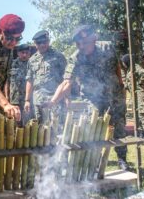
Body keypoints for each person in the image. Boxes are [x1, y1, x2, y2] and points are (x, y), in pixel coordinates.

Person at [46, 25, 130, 170]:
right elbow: (67, 82)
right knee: (93, 128)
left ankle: (122, 159)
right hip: (93, 98)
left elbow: (116, 65)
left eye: (85, 43)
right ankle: (94, 161)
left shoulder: (107, 47)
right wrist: (53, 101)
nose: (81, 46)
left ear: (94, 39)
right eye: (78, 43)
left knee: (120, 128)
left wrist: (121, 84)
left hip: (114, 94)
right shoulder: (75, 57)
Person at [24, 31, 66, 125]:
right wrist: (27, 100)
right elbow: (29, 80)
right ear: (35, 44)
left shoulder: (58, 56)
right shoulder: (32, 60)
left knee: (56, 127)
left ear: (49, 41)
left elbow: (66, 80)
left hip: (54, 99)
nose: (43, 45)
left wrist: (67, 97)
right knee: (40, 128)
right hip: (38, 100)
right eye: (39, 43)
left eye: (45, 41)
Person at [121, 54, 144, 139]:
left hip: (140, 93)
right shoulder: (129, 70)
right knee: (135, 113)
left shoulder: (135, 67)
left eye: (124, 62)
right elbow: (129, 82)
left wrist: (139, 83)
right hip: (134, 94)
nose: (123, 64)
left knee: (142, 112)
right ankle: (140, 132)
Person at [8, 44, 32, 126]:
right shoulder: (11, 64)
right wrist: (6, 98)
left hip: (28, 101)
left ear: (29, 54)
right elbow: (6, 82)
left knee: (28, 124)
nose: (24, 55)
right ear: (18, 53)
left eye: (27, 53)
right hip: (14, 100)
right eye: (22, 52)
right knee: (14, 125)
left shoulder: (33, 65)